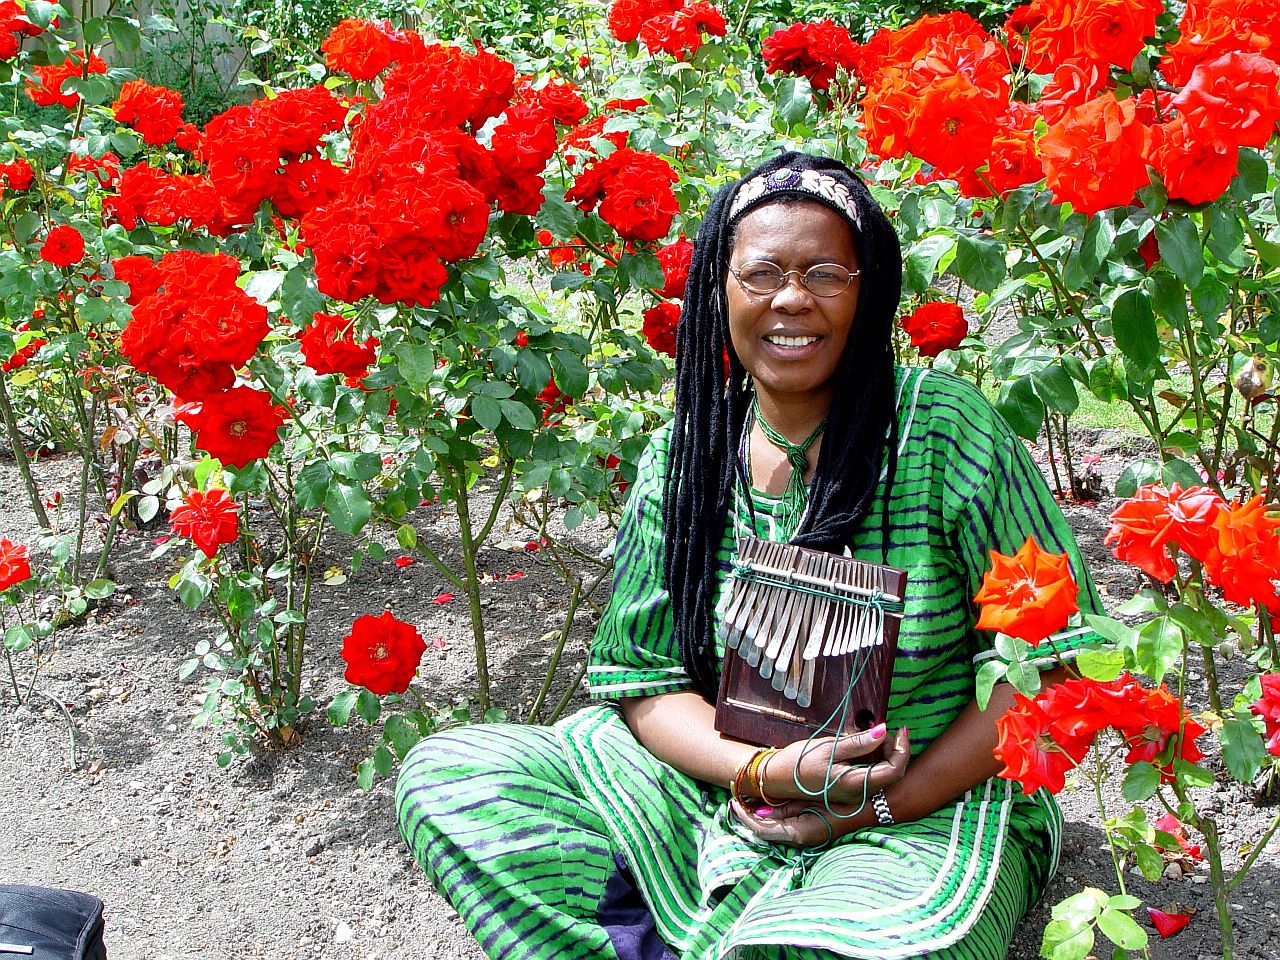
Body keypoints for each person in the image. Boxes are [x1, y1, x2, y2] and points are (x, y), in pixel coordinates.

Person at [395, 150, 1104, 960]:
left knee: (839, 947)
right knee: (453, 780)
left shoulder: (944, 432)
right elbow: (648, 684)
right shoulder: (687, 456)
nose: (792, 298)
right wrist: (765, 773)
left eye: (826, 272)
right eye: (762, 272)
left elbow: (1058, 673)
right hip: (721, 784)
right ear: (718, 293)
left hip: (926, 806)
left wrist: (880, 803)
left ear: (866, 292)